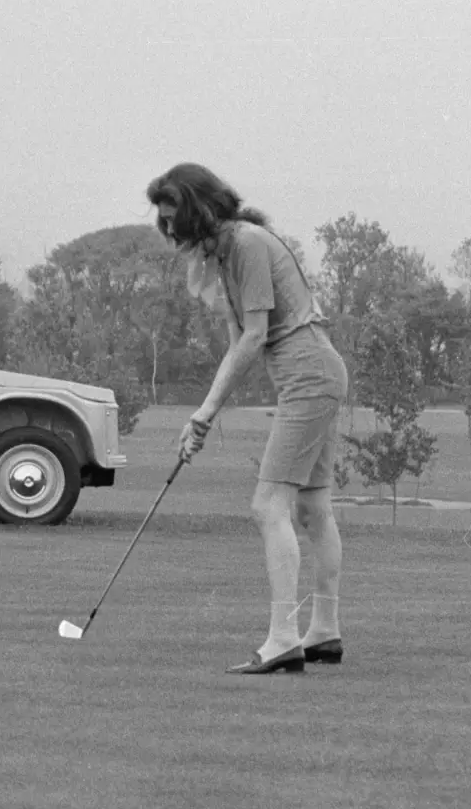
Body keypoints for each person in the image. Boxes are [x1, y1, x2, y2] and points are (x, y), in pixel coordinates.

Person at [146, 163, 350, 675]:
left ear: (201, 209)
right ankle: (323, 632)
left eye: (174, 219)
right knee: (312, 508)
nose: (170, 231)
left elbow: (257, 336)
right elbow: (241, 342)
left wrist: (206, 413)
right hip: (311, 374)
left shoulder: (248, 244)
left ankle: (284, 637)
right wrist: (202, 416)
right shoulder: (226, 254)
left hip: (309, 373)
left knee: (268, 505)